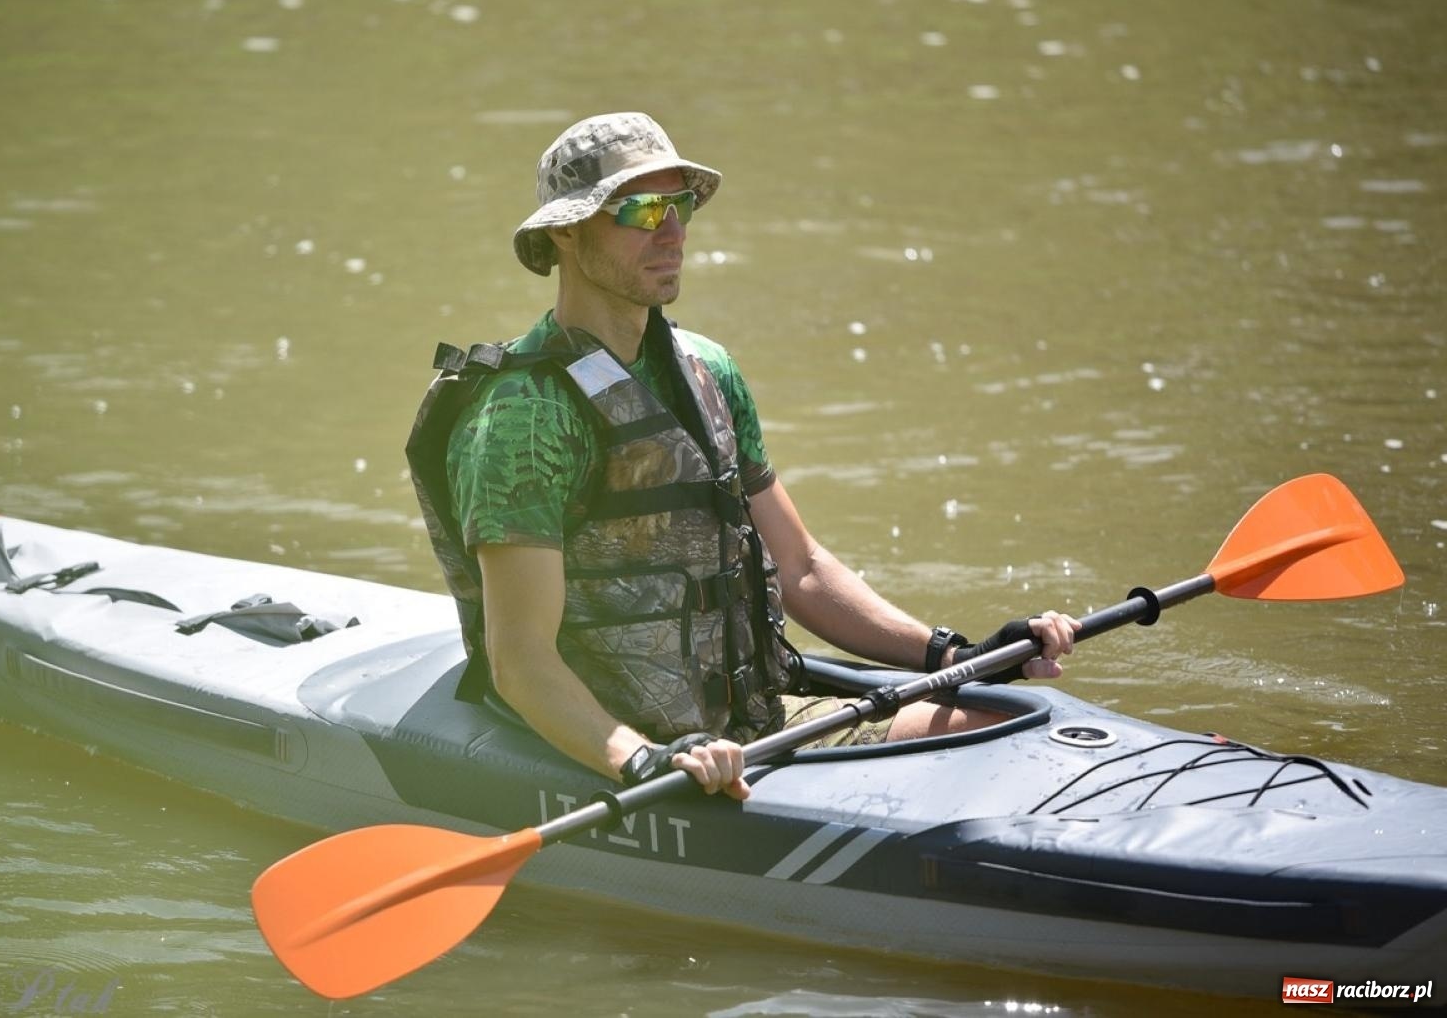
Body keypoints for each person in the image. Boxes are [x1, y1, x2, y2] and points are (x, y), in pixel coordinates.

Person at [407, 112, 1078, 801]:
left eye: (684, 205)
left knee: (994, 718)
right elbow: (519, 660)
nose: (673, 232)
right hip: (631, 749)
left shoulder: (707, 370)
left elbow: (801, 568)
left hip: (754, 723)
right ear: (567, 232)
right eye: (643, 210)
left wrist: (954, 655)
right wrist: (640, 761)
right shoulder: (523, 416)